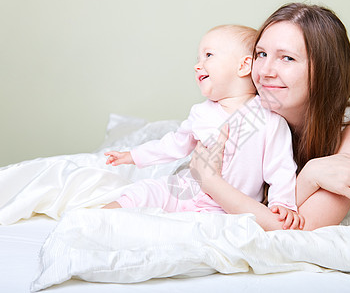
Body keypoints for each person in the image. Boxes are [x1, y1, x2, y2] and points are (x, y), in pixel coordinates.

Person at [188, 3, 350, 231]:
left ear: (323, 71)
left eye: (287, 58)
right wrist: (310, 178)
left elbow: (301, 227)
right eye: (261, 54)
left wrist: (211, 181)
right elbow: (259, 200)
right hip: (317, 167)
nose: (264, 71)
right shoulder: (243, 111)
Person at [102, 25, 301, 225]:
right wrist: (133, 155)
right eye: (198, 59)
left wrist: (283, 204)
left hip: (228, 209)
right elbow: (173, 144)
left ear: (243, 65)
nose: (198, 65)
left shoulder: (270, 120)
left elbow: (281, 168)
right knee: (145, 191)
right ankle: (92, 220)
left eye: (208, 55)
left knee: (208, 231)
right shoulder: (201, 112)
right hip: (183, 191)